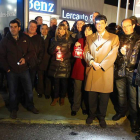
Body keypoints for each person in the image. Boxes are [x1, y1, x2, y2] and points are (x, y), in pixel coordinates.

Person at [84, 15, 119, 128]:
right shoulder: (90, 37)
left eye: (102, 23)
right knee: (91, 96)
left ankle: (102, 116)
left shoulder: (114, 37)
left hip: (105, 70)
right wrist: (92, 62)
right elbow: (86, 52)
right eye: (97, 23)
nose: (99, 25)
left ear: (105, 24)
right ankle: (91, 115)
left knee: (104, 97)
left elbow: (113, 54)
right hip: (92, 69)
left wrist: (102, 65)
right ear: (95, 24)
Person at [0, 20, 39, 119]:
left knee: (29, 90)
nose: (13, 29)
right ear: (9, 28)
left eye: (15, 26)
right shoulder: (5, 40)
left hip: (24, 69)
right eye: (11, 27)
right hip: (11, 71)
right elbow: (1, 56)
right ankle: (13, 109)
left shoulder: (25, 38)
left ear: (19, 28)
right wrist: (7, 69)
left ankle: (30, 106)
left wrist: (25, 59)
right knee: (12, 92)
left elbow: (32, 51)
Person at [113, 18, 140, 133]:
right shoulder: (119, 38)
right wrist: (120, 53)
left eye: (127, 26)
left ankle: (134, 120)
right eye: (123, 26)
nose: (125, 28)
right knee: (121, 94)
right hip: (120, 70)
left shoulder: (138, 38)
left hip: (132, 72)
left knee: (133, 98)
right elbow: (114, 55)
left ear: (133, 26)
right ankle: (121, 112)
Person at [71, 24, 93, 116]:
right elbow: (74, 54)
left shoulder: (95, 42)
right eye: (85, 30)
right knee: (77, 89)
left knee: (86, 90)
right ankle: (75, 107)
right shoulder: (80, 40)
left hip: (90, 69)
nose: (86, 32)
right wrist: (76, 47)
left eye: (88, 30)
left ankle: (84, 107)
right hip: (79, 68)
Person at [48, 23, 73, 106]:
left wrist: (64, 57)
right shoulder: (53, 39)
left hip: (65, 64)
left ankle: (62, 97)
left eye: (63, 29)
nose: (61, 31)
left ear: (66, 30)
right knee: (56, 83)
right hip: (55, 64)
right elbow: (50, 51)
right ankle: (55, 97)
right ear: (57, 30)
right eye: (60, 29)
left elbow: (71, 53)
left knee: (64, 83)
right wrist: (55, 49)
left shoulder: (69, 40)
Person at [24, 20, 44, 90]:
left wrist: (37, 61)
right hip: (23, 64)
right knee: (22, 83)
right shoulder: (22, 36)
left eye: (34, 27)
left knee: (31, 82)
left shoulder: (39, 39)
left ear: (36, 28)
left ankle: (29, 99)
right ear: (28, 26)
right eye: (31, 26)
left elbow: (41, 51)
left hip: (33, 65)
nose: (32, 28)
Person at [36, 24, 51, 99]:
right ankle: (40, 92)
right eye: (42, 29)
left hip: (48, 61)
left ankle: (47, 92)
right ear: (40, 30)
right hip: (39, 62)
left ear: (48, 30)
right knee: (40, 78)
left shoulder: (51, 38)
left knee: (48, 79)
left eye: (46, 29)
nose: (44, 30)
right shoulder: (37, 38)